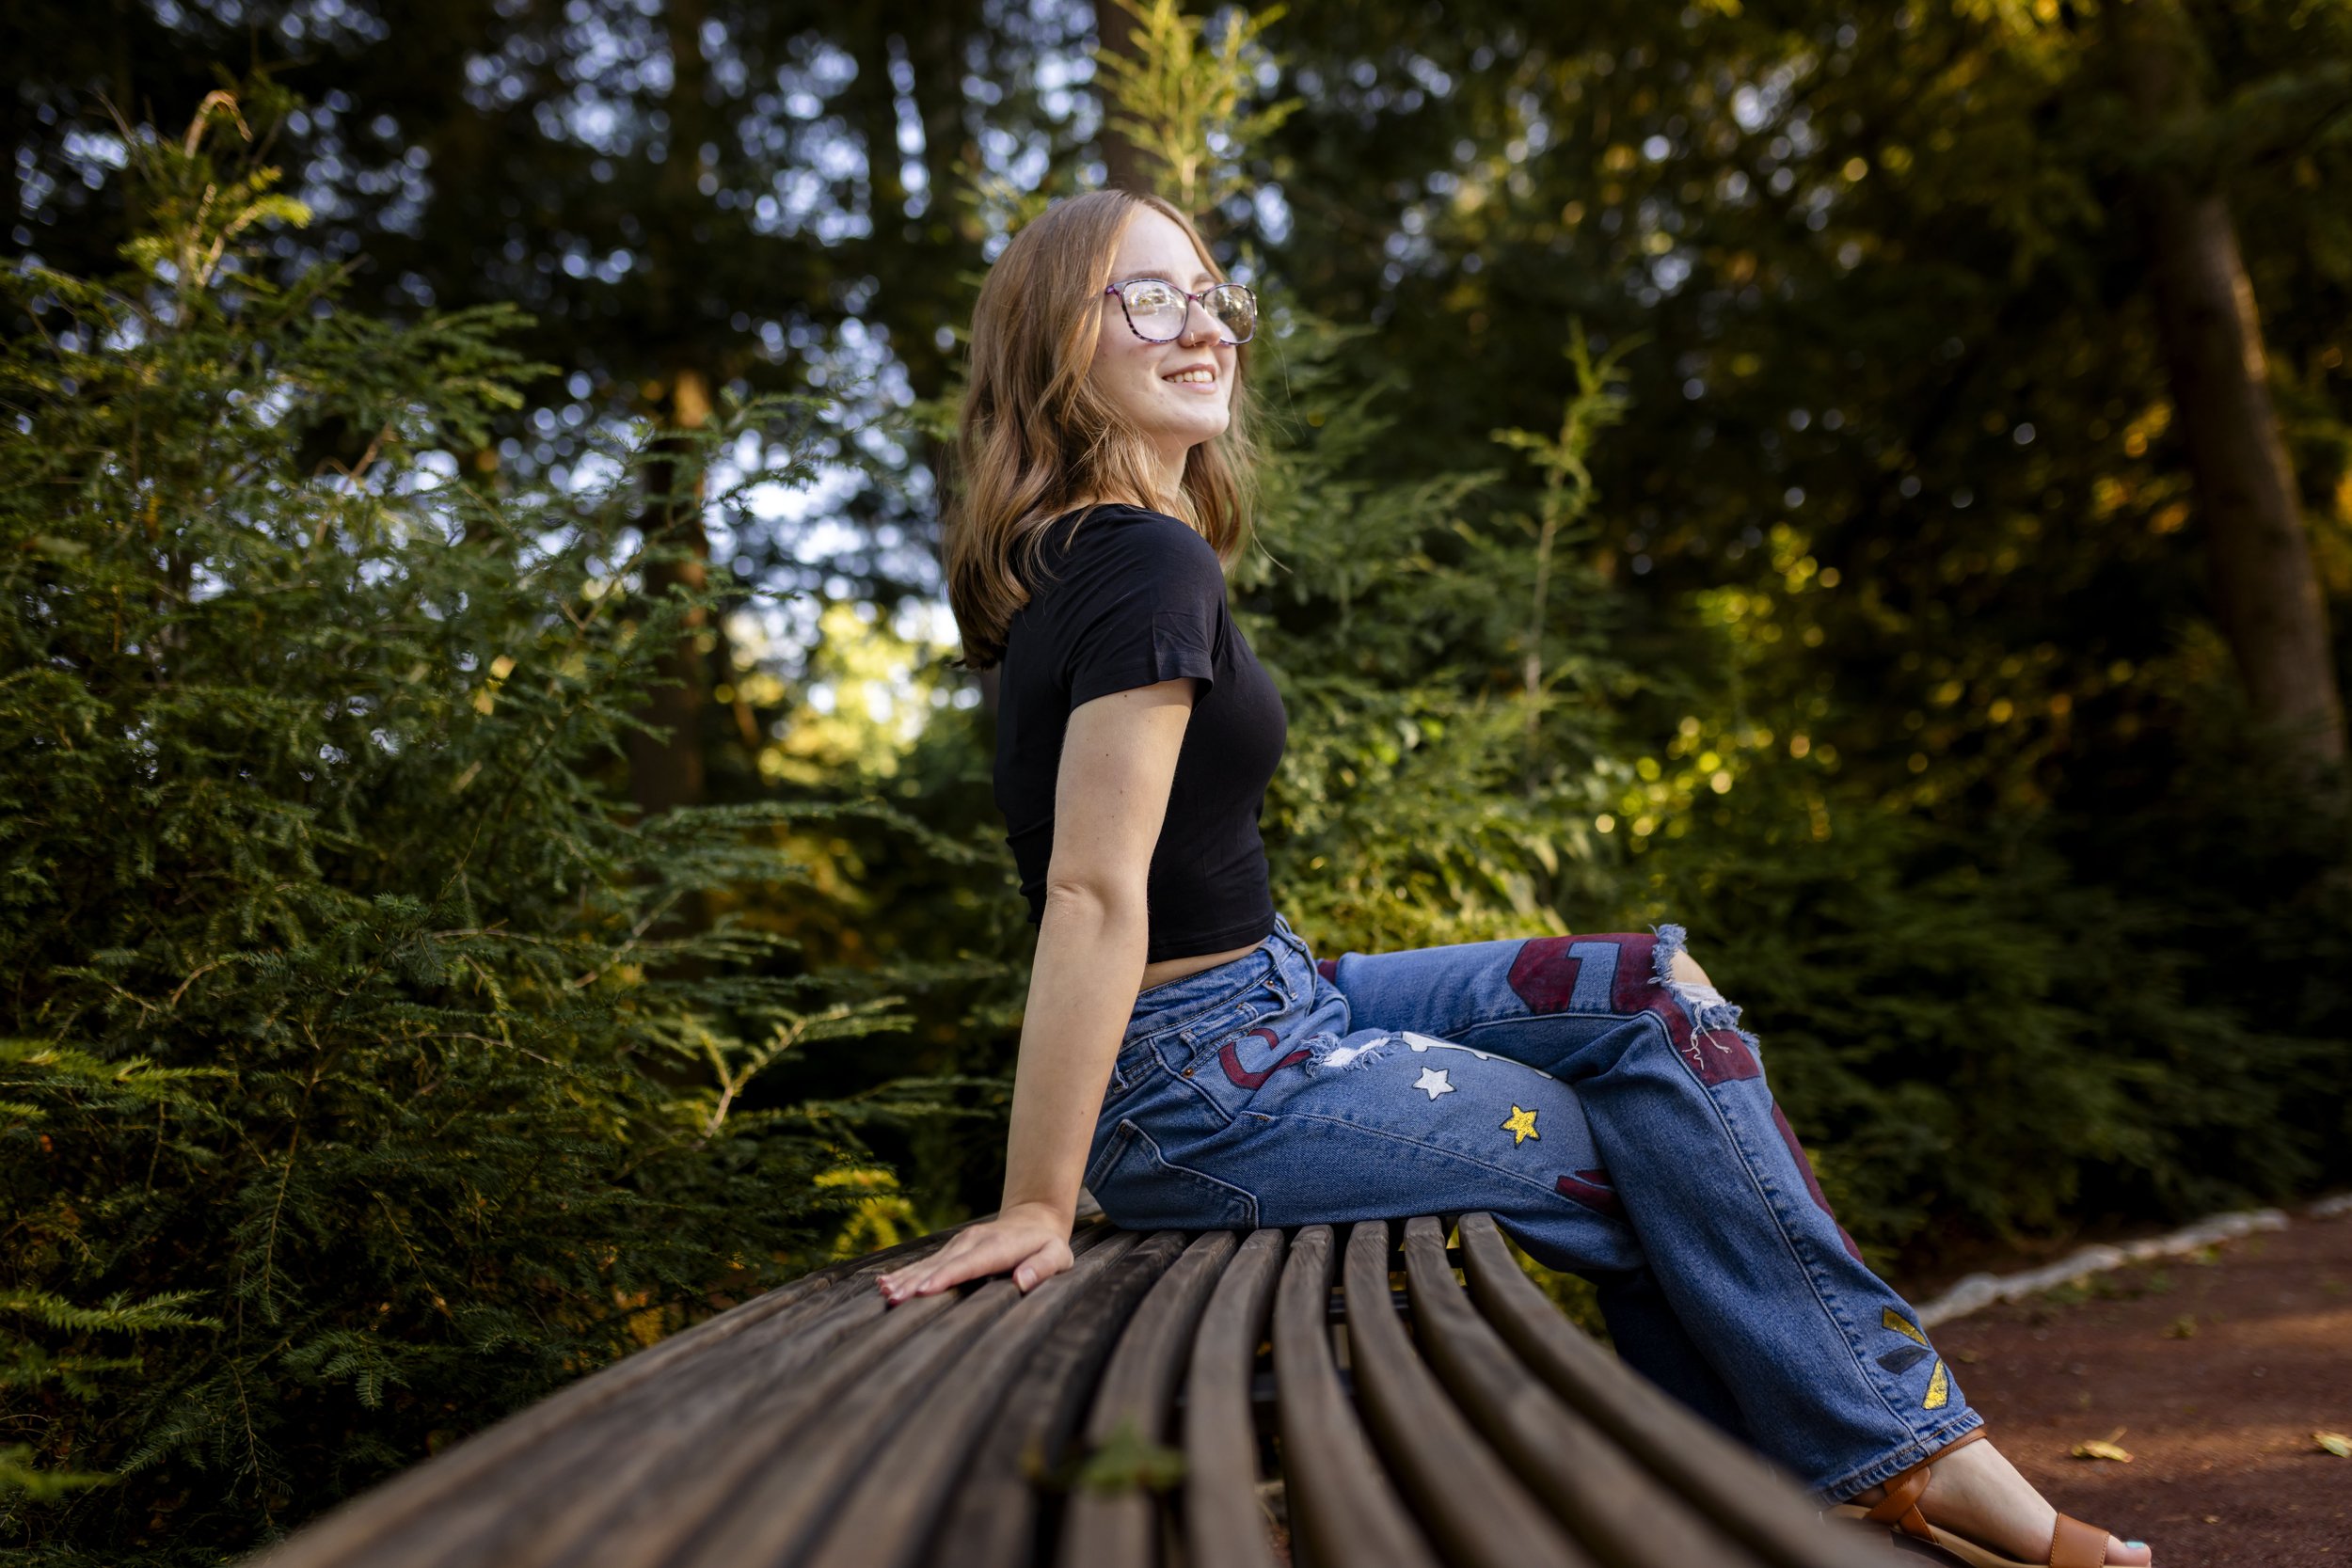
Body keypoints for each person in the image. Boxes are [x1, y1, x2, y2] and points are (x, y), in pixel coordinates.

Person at [875, 188, 2153, 1568]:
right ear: (1057, 343)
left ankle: (1860, 1466)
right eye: (1150, 297)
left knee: (1655, 987)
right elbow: (1090, 894)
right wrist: (1039, 1201)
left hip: (1272, 1000)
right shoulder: (1141, 565)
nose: (1205, 327)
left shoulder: (1088, 552)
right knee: (1638, 1150)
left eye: (1212, 293)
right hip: (1200, 1084)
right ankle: (1871, 1473)